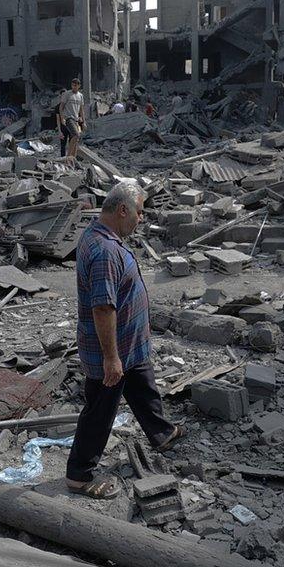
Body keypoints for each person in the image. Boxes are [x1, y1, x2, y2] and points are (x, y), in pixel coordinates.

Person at [66, 182, 185, 499]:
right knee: (100, 412)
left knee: (142, 384)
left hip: (129, 345)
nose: (141, 218)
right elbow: (103, 308)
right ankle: (79, 475)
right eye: (139, 212)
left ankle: (161, 432)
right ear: (122, 210)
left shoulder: (103, 237)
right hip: (112, 348)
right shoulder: (105, 251)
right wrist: (111, 358)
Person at [57, 78, 86, 158]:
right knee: (76, 135)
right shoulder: (67, 94)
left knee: (76, 139)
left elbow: (81, 110)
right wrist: (62, 118)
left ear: (79, 86)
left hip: (76, 120)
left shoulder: (80, 96)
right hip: (69, 118)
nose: (74, 87)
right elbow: (61, 107)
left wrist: (84, 122)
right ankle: (68, 157)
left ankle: (73, 157)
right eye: (73, 85)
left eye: (76, 85)